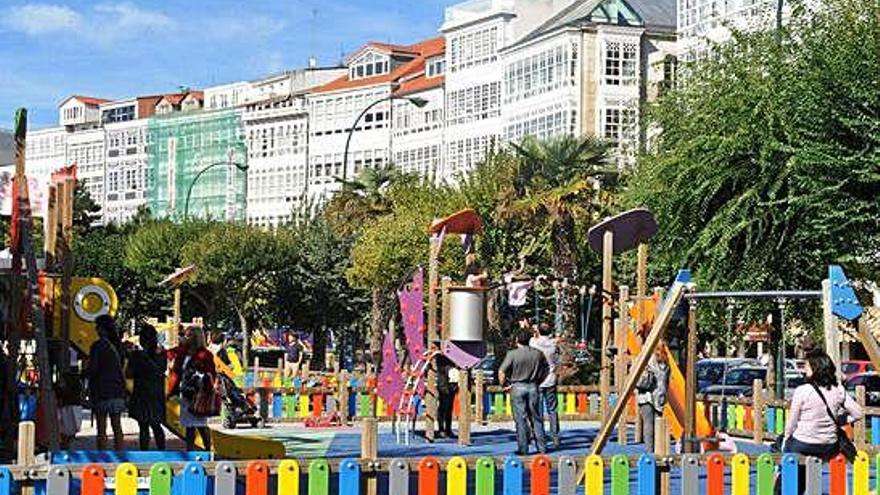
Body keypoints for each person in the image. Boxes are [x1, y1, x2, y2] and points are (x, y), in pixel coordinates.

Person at [784, 349, 862, 459]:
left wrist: (786, 440)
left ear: (815, 368)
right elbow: (858, 413)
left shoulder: (803, 390)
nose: (805, 370)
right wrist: (843, 420)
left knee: (779, 446)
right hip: (829, 444)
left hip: (804, 442)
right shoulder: (838, 390)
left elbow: (792, 422)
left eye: (807, 366)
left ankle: (781, 473)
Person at [499, 329, 549, 455]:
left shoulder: (512, 354)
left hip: (517, 386)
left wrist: (504, 385)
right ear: (530, 339)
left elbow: (502, 371)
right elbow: (547, 369)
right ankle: (541, 447)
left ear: (517, 340)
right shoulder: (538, 353)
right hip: (533, 386)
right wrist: (539, 381)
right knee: (536, 418)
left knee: (520, 419)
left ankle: (523, 448)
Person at [168, 327, 218, 451]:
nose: (186, 338)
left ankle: (208, 449)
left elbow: (211, 373)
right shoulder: (183, 352)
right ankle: (189, 450)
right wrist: (171, 390)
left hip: (198, 393)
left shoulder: (205, 354)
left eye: (189, 335)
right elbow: (175, 368)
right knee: (189, 425)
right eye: (186, 335)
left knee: (200, 424)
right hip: (185, 392)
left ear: (196, 338)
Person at [85, 314, 126, 450]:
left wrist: (84, 374)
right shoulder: (119, 346)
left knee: (101, 428)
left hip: (101, 389)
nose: (96, 329)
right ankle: (120, 454)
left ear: (102, 328)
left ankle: (102, 457)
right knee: (117, 426)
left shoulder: (97, 346)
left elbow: (93, 369)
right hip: (117, 388)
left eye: (97, 326)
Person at [127, 324, 167, 450]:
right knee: (156, 425)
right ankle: (162, 451)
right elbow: (163, 370)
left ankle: (144, 452)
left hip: (141, 392)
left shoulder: (136, 355)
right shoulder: (161, 354)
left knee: (143, 426)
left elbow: (128, 373)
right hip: (156, 392)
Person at [530, 322, 561, 447]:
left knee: (538, 410)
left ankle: (539, 435)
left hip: (538, 380)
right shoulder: (553, 344)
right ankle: (555, 435)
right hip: (551, 379)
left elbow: (531, 339)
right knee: (552, 409)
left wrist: (532, 330)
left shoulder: (534, 343)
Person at [636, 343, 670, 453]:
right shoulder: (666, 363)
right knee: (657, 426)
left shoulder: (646, 359)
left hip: (646, 395)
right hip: (659, 397)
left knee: (648, 425)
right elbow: (666, 381)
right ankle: (658, 450)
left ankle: (649, 452)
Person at [56, 371, 84, 449]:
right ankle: (65, 445)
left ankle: (65, 445)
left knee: (68, 429)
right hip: (69, 403)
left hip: (71, 403)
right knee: (67, 429)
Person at [436, 356, 459, 439]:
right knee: (443, 408)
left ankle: (447, 429)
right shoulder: (442, 359)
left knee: (449, 408)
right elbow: (443, 370)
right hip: (444, 385)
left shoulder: (451, 359)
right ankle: (441, 429)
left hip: (449, 384)